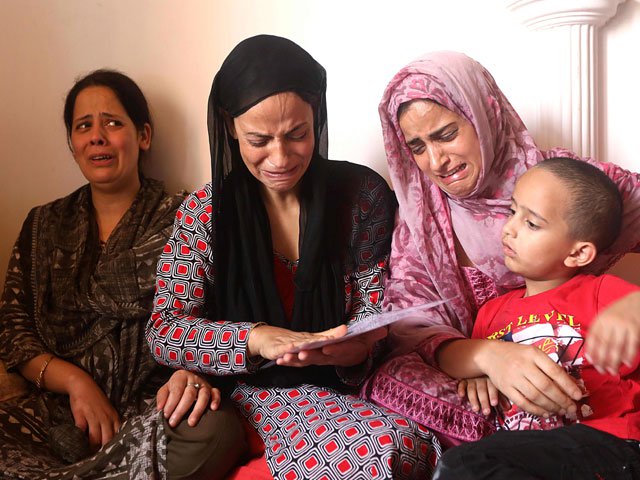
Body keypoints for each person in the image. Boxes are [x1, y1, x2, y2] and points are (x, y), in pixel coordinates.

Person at [146, 34, 441, 479]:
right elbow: (165, 329)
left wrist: (354, 348)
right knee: (373, 456)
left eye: (297, 135)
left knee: (412, 448)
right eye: (258, 140)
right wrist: (256, 338)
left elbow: (374, 311)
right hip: (242, 392)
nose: (280, 158)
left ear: (317, 117)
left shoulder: (362, 198)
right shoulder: (206, 212)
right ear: (230, 128)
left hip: (345, 389)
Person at [371, 51, 640, 427]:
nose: (435, 161)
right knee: (388, 379)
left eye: (446, 135)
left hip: (576, 385)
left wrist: (634, 306)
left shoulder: (556, 182)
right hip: (475, 381)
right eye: (416, 146)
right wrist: (487, 359)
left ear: (487, 115)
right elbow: (412, 327)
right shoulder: (421, 216)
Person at [0, 69, 245, 479]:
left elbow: (216, 315)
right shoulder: (43, 224)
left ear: (143, 136)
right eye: (83, 126)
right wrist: (77, 383)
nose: (97, 136)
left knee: (218, 432)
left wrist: (191, 372)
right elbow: (13, 330)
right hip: (55, 414)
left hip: (151, 409)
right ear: (72, 144)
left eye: (113, 123)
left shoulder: (186, 217)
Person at [432, 157, 640, 479]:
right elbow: (451, 354)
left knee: (464, 465)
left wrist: (634, 305)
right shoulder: (493, 311)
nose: (509, 228)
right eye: (513, 212)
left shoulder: (600, 293)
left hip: (611, 443)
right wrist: (481, 369)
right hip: (528, 455)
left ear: (578, 253)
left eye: (532, 224)